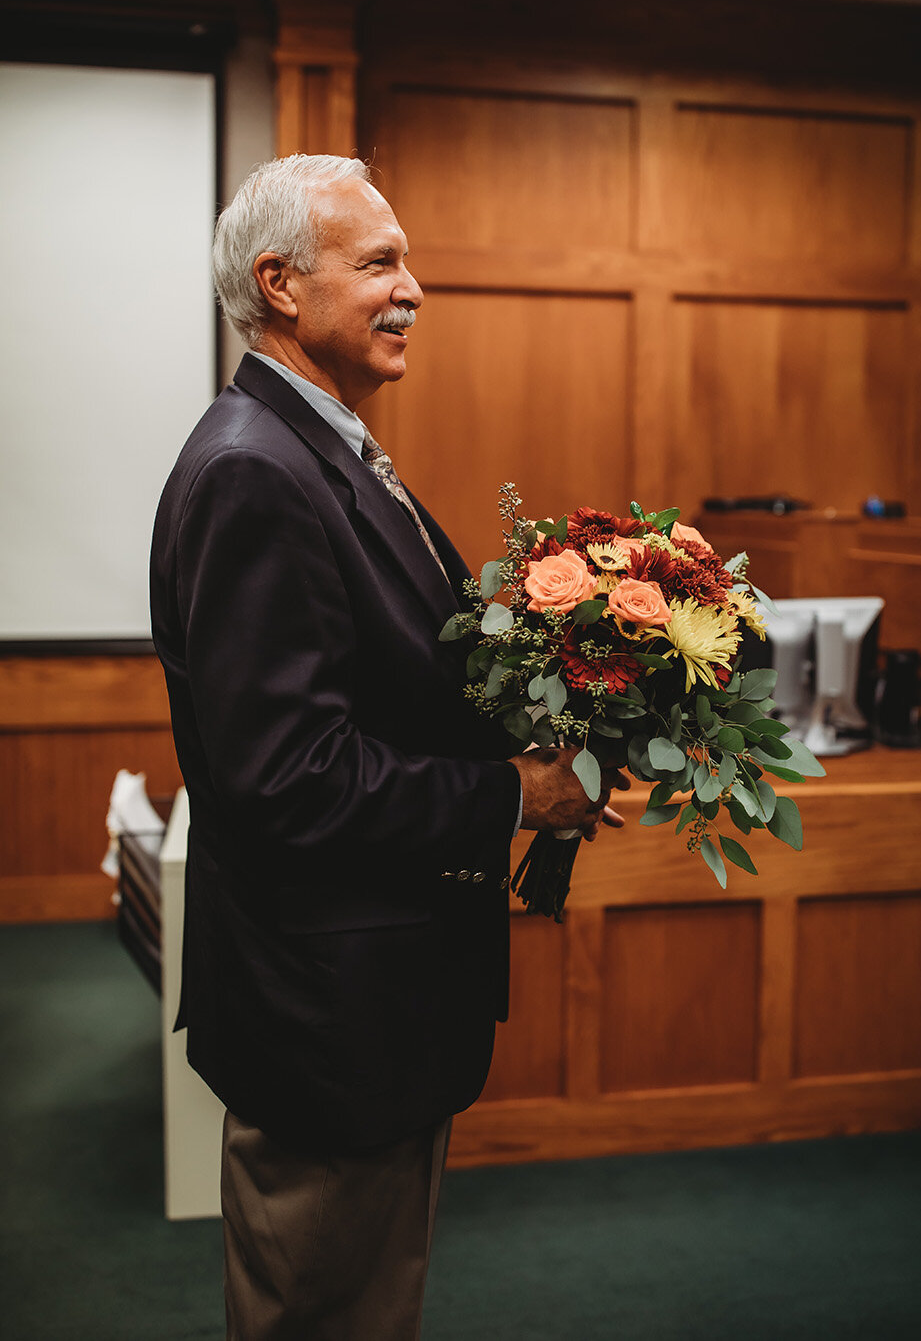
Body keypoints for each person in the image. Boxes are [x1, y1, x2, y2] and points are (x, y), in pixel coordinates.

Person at [149, 153, 626, 1340]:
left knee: (367, 1307)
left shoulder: (321, 445)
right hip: (326, 1013)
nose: (416, 287)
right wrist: (512, 797)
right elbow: (289, 783)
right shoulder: (257, 472)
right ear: (281, 285)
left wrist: (557, 727)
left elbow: (384, 689)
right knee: (322, 1316)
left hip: (374, 1001)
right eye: (379, 263)